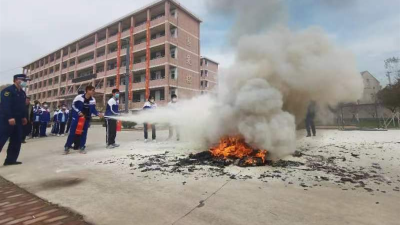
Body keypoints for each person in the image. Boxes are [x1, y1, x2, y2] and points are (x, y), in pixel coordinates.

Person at [64, 85, 103, 154]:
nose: (93, 92)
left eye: (94, 90)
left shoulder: (93, 99)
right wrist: (78, 112)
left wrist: (98, 113)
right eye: (92, 90)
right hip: (76, 117)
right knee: (72, 132)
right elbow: (73, 105)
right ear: (88, 90)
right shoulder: (79, 97)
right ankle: (67, 147)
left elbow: (93, 109)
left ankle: (82, 147)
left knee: (84, 133)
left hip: (86, 118)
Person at [0, 74, 29, 166]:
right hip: (7, 119)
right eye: (24, 80)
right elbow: (6, 105)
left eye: (26, 80)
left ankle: (10, 160)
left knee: (16, 140)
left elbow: (23, 107)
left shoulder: (22, 93)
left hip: (18, 120)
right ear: (16, 80)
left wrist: (24, 117)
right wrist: (9, 117)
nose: (25, 82)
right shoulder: (7, 91)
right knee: (1, 139)